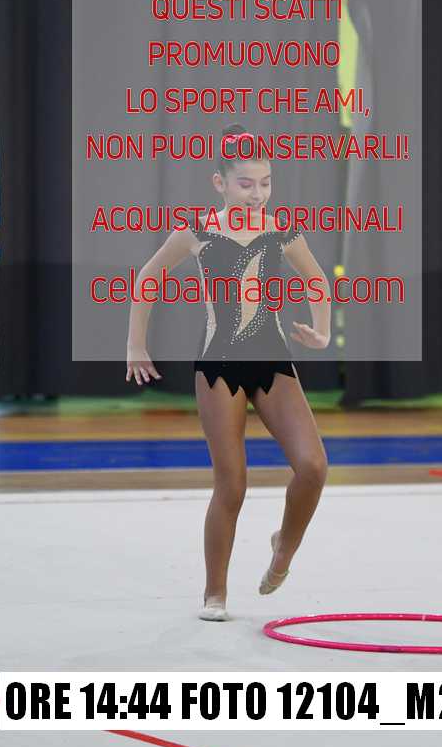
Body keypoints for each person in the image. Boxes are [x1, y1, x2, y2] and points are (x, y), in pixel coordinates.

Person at [126, 124, 331, 621]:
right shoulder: (197, 231)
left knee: (314, 467)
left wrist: (323, 331)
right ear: (219, 183)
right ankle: (214, 592)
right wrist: (135, 344)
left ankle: (283, 548)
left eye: (265, 183)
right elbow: (149, 276)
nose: (257, 193)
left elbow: (316, 278)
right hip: (219, 365)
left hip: (273, 363)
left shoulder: (282, 230)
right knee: (232, 483)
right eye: (246, 183)